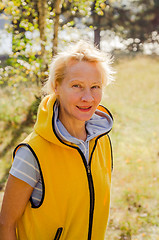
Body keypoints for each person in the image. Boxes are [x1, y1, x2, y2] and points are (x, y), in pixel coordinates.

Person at [0, 40, 114, 240]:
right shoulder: (32, 152)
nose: (88, 97)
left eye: (95, 87)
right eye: (77, 86)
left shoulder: (101, 142)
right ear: (56, 87)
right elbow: (5, 224)